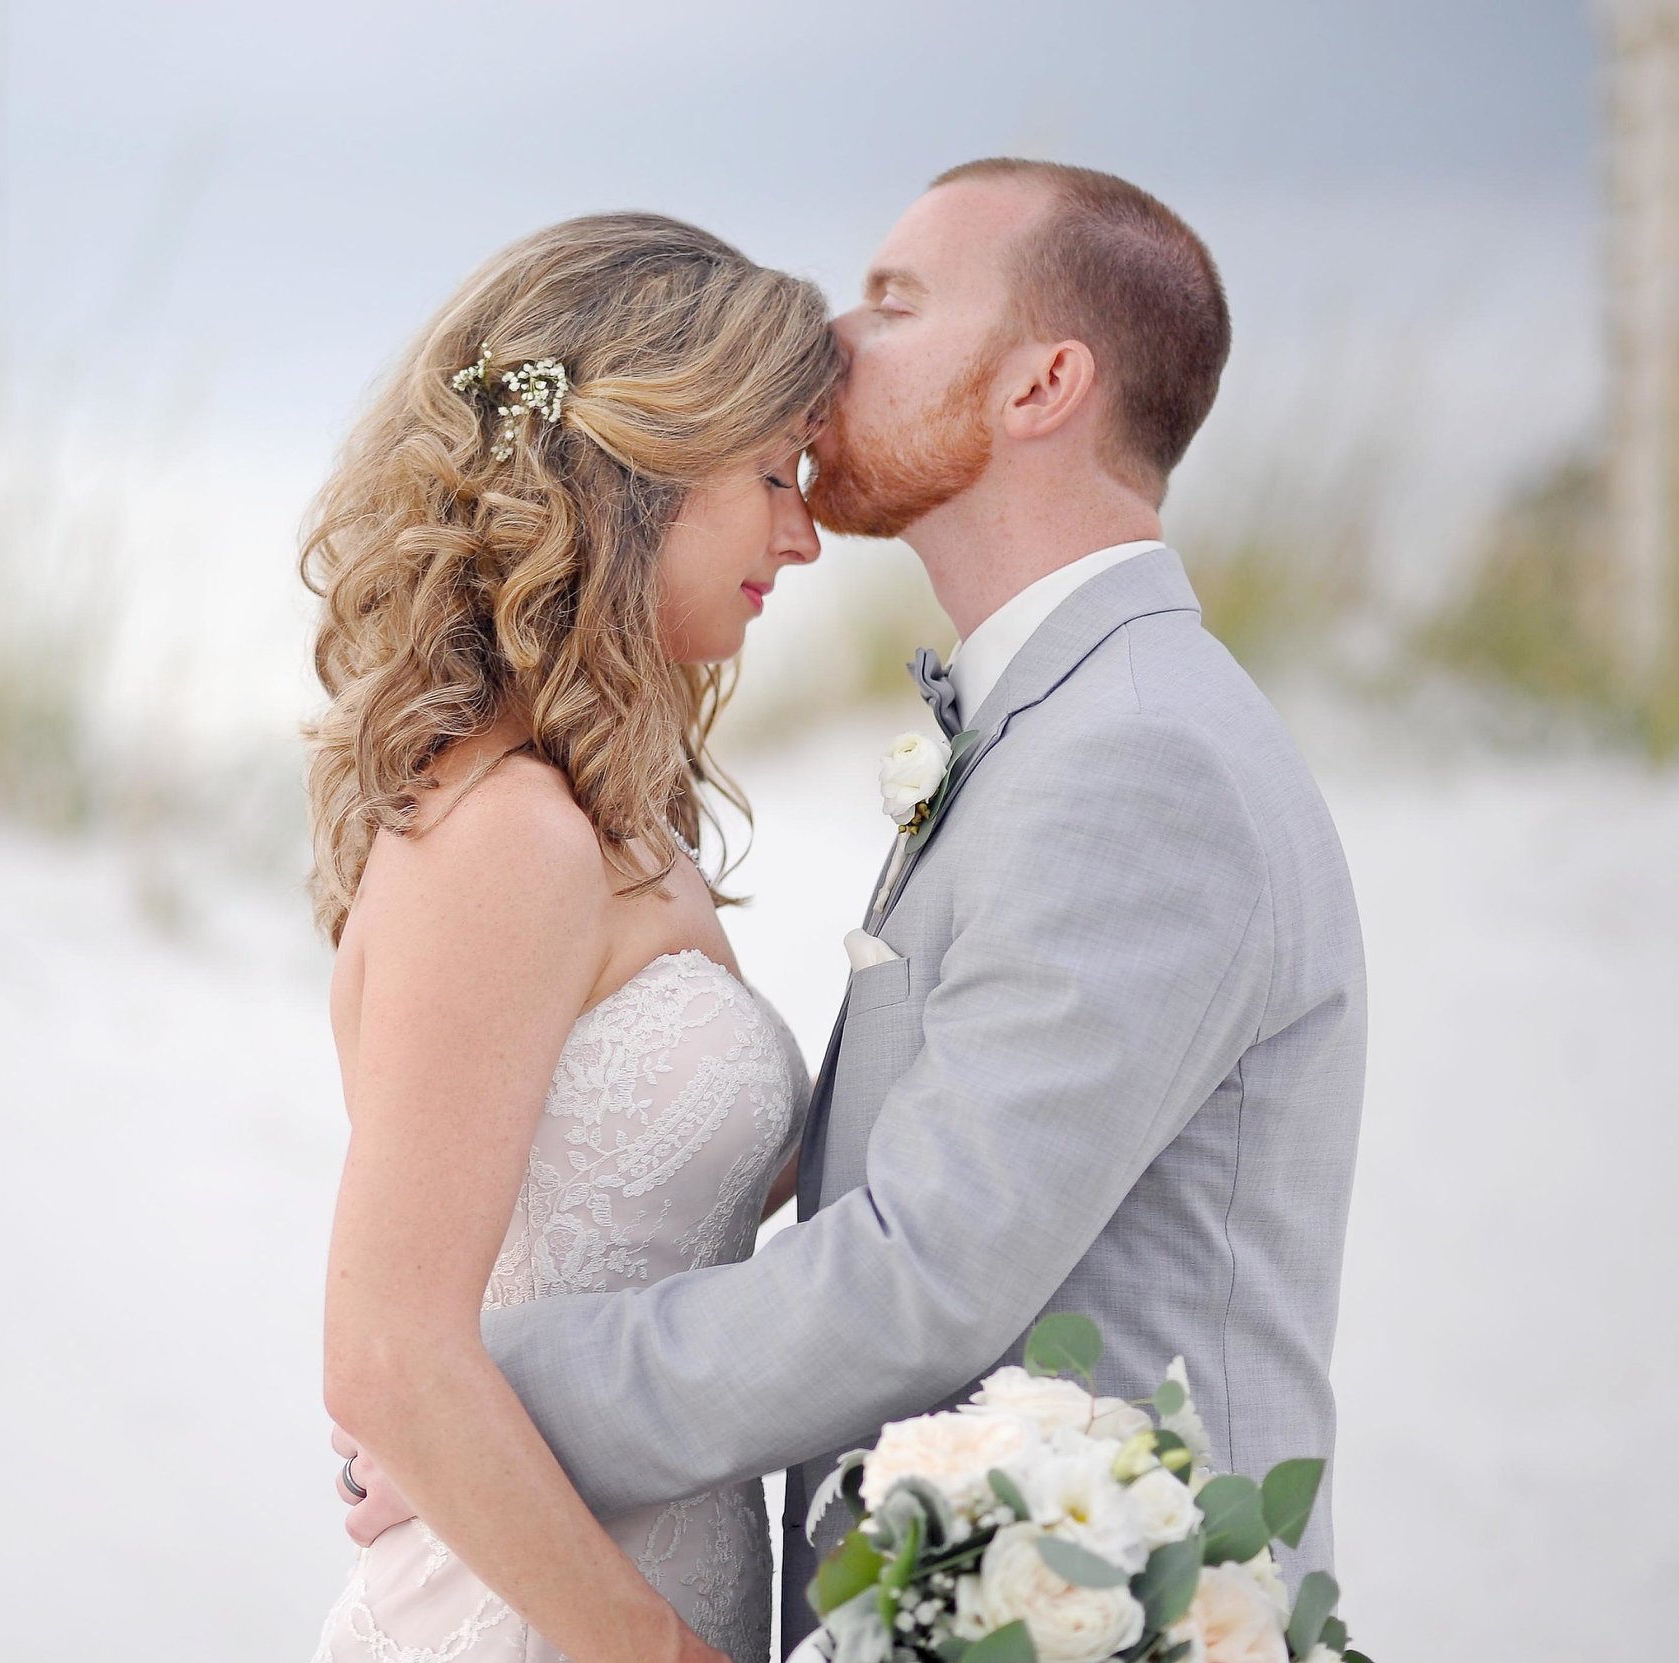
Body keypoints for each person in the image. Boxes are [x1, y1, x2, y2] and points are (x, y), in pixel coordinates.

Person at [333, 160, 1369, 1658]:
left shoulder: (1128, 755)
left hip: (1093, 1600)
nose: (832, 333)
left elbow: (919, 1271)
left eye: (894, 301)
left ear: (1042, 385)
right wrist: (425, 1390)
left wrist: (476, 1391)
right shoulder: (1046, 731)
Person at [301, 212, 843, 1663]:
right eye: (775, 477)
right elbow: (389, 1353)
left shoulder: (619, 818)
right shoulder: (504, 838)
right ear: (641, 474)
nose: (804, 532)